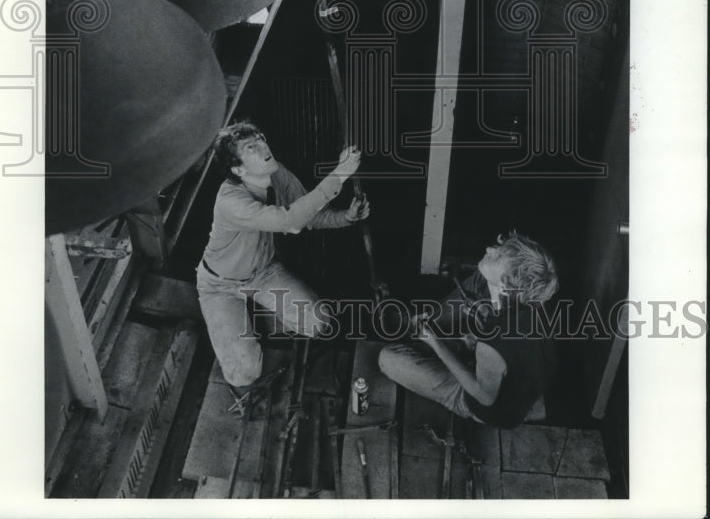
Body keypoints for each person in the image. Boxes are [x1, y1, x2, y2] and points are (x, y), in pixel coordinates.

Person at [196, 121, 367, 390]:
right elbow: (292, 221)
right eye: (251, 147)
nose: (264, 146)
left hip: (264, 272)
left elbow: (309, 215)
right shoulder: (231, 202)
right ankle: (240, 321)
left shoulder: (275, 173)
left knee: (321, 325)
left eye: (261, 139)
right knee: (243, 375)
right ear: (238, 169)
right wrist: (340, 174)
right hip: (221, 286)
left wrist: (344, 218)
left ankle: (260, 314)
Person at [378, 231, 559, 428]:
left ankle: (418, 330)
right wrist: (482, 319)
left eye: (496, 255)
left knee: (388, 358)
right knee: (480, 281)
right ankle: (428, 327)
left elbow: (484, 397)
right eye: (498, 248)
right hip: (516, 378)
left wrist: (435, 343)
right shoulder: (535, 301)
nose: (489, 249)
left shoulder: (492, 345)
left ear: (506, 286)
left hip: (485, 406)